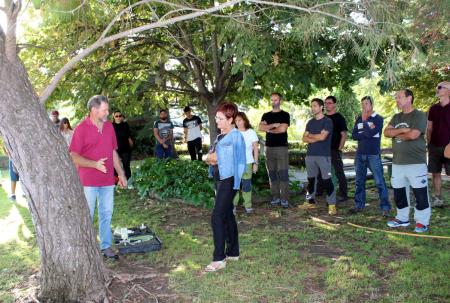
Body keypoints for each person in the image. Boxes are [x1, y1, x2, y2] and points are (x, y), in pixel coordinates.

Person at [69, 95, 127, 258]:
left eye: (107, 109)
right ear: (94, 110)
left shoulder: (109, 127)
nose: (108, 113)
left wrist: (121, 173)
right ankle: (86, 249)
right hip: (88, 182)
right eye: (104, 110)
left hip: (108, 180)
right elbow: (74, 156)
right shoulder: (81, 129)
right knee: (87, 214)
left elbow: (113, 151)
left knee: (106, 213)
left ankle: (106, 247)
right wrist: (94, 164)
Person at [204, 102, 246, 272]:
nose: (217, 121)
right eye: (216, 118)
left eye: (221, 118)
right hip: (219, 179)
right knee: (227, 214)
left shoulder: (235, 136)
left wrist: (209, 157)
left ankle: (219, 258)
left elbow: (217, 158)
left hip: (229, 180)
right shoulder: (221, 136)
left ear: (230, 120)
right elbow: (212, 158)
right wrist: (210, 157)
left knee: (217, 216)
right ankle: (233, 252)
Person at [384, 89, 430, 233]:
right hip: (398, 163)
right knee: (399, 192)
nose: (397, 99)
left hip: (416, 162)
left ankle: (422, 222)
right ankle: (402, 218)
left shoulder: (419, 115)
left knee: (420, 193)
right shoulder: (396, 117)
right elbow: (386, 132)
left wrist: (398, 133)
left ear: (409, 98)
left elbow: (414, 135)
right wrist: (404, 131)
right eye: (396, 97)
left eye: (399, 97)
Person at [350, 96, 391, 215]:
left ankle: (385, 207)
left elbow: (372, 132)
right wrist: (364, 131)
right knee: (359, 181)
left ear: (372, 104)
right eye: (362, 103)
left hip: (373, 154)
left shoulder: (378, 118)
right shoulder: (359, 118)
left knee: (379, 181)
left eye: (366, 103)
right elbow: (354, 135)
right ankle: (359, 205)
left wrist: (363, 126)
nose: (364, 106)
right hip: (360, 154)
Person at [299, 98, 337, 215]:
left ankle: (331, 205)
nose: (313, 108)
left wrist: (311, 136)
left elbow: (323, 137)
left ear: (321, 107)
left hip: (323, 155)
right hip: (310, 155)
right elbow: (304, 139)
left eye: (315, 106)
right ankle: (310, 201)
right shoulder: (310, 122)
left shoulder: (327, 121)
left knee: (327, 180)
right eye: (312, 106)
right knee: (311, 180)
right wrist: (315, 136)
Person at [258, 92, 290, 208]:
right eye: (272, 100)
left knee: (283, 174)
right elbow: (260, 127)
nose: (273, 102)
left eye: (276, 100)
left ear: (280, 101)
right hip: (269, 148)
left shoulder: (285, 115)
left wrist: (268, 128)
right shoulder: (266, 115)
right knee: (272, 174)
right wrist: (273, 126)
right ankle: (275, 197)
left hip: (281, 148)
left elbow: (282, 129)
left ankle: (285, 199)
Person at [316, 96, 348, 202]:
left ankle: (343, 194)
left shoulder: (339, 117)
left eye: (329, 103)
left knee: (339, 172)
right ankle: (319, 191)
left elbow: (344, 134)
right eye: (325, 103)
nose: (327, 105)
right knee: (320, 171)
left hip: (334, 150)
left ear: (334, 104)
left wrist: (339, 148)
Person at [426, 81, 450, 207]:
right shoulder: (433, 108)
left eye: (440, 87)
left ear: (448, 91)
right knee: (435, 173)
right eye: (437, 87)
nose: (437, 89)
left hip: (449, 146)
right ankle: (437, 198)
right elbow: (429, 127)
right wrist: (429, 144)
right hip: (434, 146)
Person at [233, 112, 259, 214]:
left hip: (248, 162)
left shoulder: (251, 132)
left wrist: (255, 163)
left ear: (244, 120)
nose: (237, 122)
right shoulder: (233, 132)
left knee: (247, 185)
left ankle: (248, 205)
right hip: (235, 164)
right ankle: (233, 206)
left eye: (239, 120)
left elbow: (256, 149)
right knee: (235, 186)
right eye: (236, 121)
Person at [112, 110, 133, 181]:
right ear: (114, 117)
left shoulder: (125, 124)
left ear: (121, 116)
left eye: (119, 116)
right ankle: (115, 182)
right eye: (116, 116)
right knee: (115, 166)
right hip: (115, 149)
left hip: (125, 148)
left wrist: (131, 144)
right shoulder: (111, 126)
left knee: (126, 166)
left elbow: (128, 135)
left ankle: (129, 182)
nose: (118, 117)